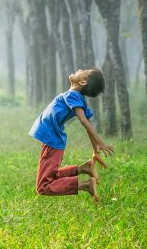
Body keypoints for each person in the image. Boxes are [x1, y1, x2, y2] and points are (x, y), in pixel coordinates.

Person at [28, 68, 114, 204]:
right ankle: (83, 169)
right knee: (50, 176)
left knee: (43, 187)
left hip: (52, 141)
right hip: (52, 140)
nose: (79, 69)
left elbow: (84, 121)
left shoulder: (73, 96)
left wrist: (100, 142)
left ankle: (86, 186)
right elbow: (88, 121)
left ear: (83, 81)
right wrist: (95, 150)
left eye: (83, 71)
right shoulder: (76, 97)